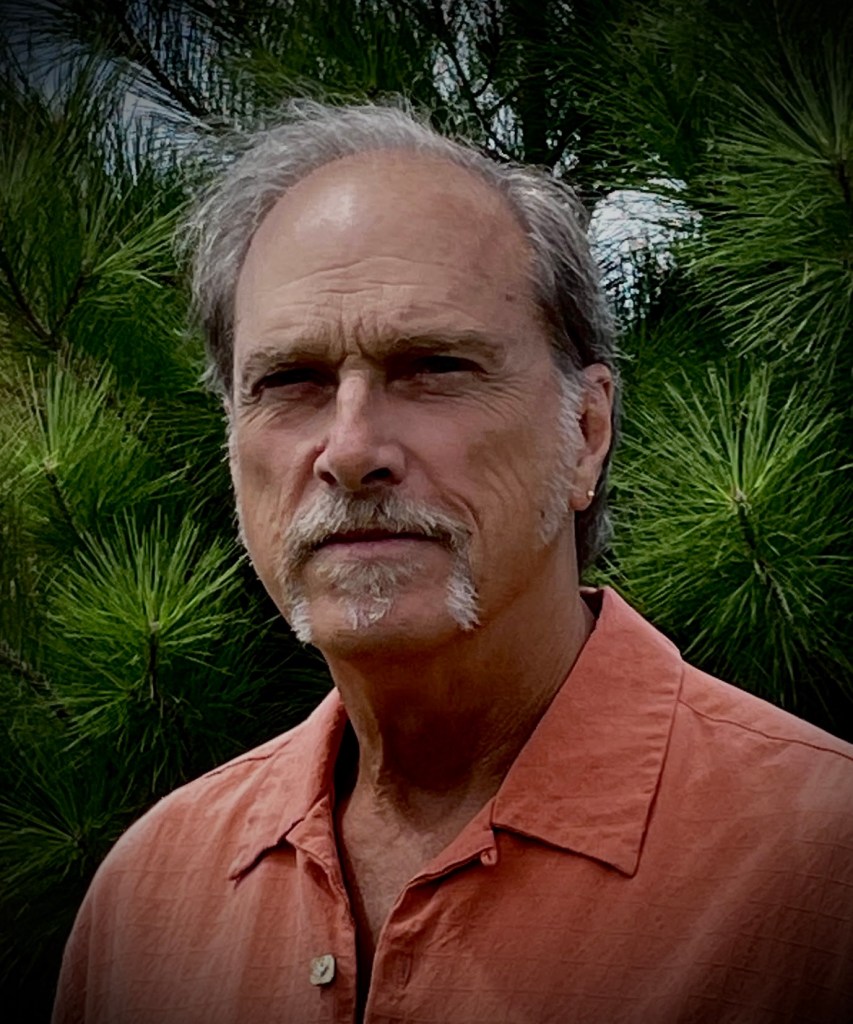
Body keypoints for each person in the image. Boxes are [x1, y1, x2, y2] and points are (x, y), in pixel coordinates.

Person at [53, 102, 853, 1024]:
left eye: (433, 367)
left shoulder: (817, 869)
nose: (352, 451)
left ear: (587, 432)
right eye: (291, 381)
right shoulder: (152, 895)